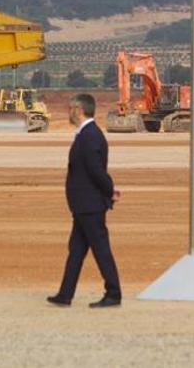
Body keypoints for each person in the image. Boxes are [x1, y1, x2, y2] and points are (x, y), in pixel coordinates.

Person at [47, 93, 122, 308]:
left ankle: (114, 293)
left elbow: (96, 171)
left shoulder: (89, 136)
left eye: (70, 108)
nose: (68, 112)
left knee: (100, 249)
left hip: (90, 205)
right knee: (77, 250)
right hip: (83, 205)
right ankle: (65, 293)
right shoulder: (86, 134)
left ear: (79, 110)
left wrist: (109, 191)